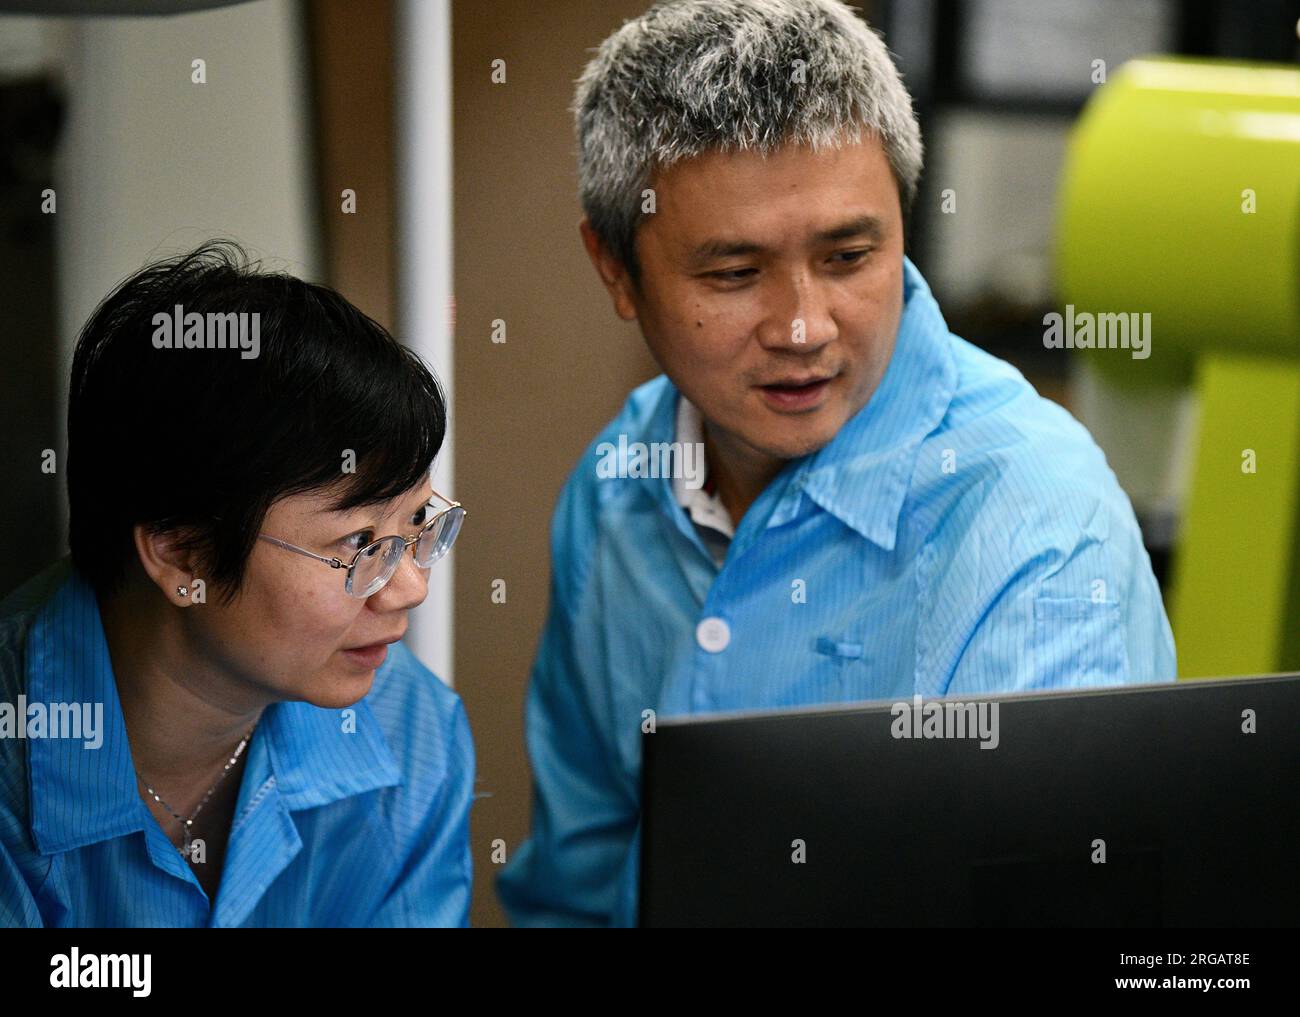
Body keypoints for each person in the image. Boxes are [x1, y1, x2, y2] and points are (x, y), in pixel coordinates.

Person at [497, 0, 1177, 927]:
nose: (804, 329)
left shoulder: (1036, 523)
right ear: (615, 268)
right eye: (734, 275)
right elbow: (575, 888)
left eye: (851, 255)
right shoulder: (620, 481)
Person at [0, 241, 473, 927]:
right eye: (359, 544)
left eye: (418, 526)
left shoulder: (412, 734)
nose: (407, 589)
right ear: (183, 552)